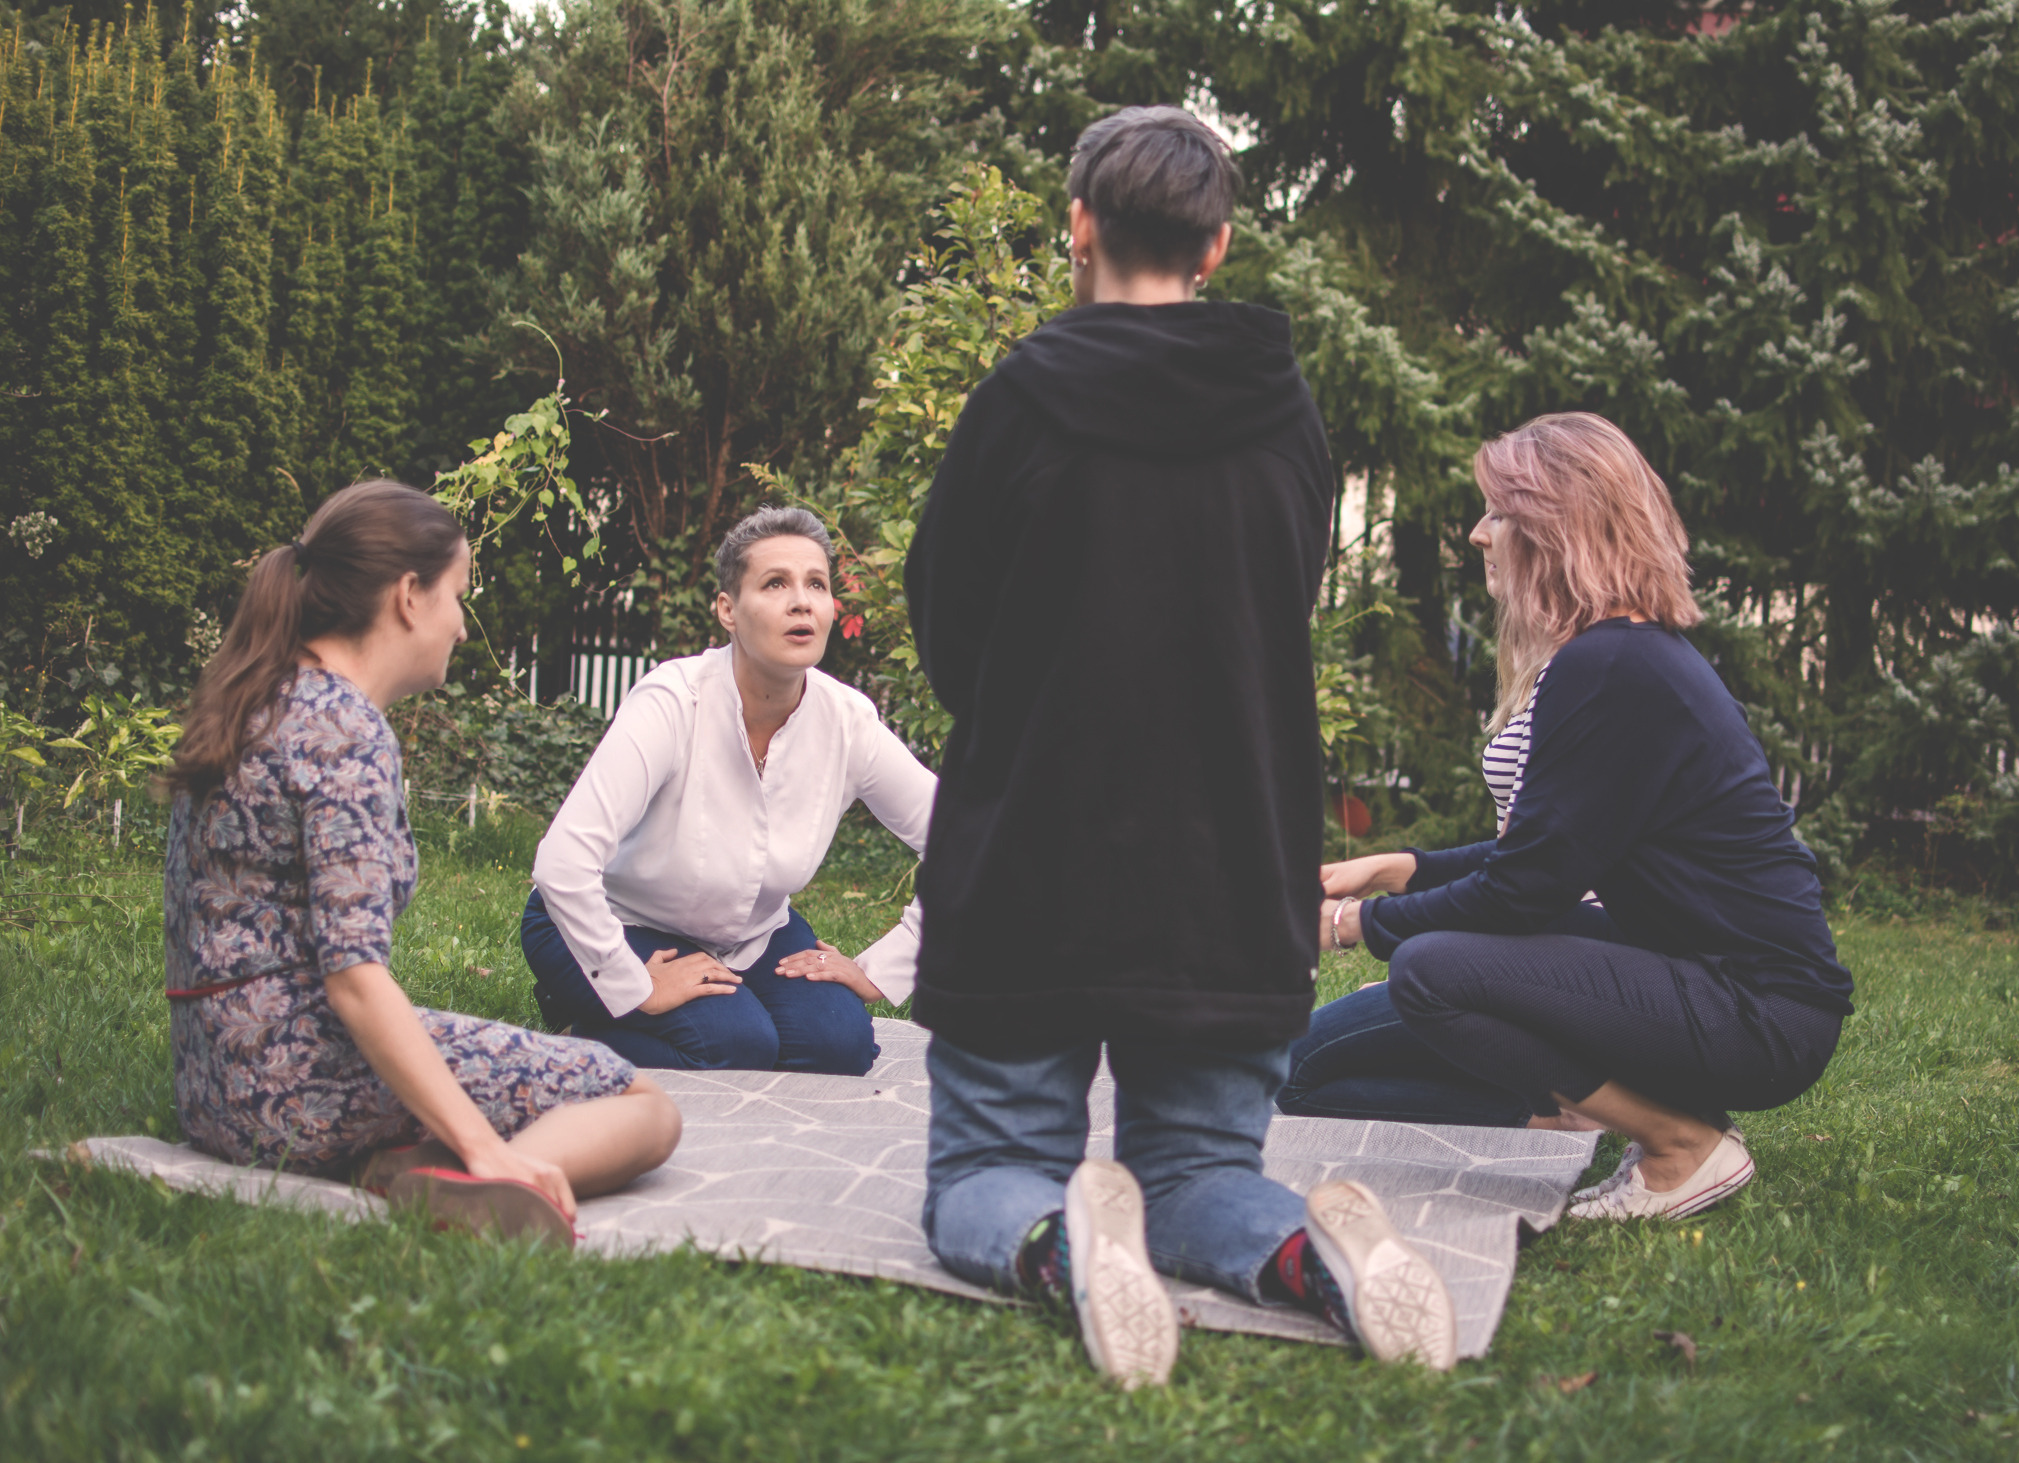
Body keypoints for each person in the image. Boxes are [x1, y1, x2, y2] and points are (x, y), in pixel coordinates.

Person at [906, 105, 1458, 1387]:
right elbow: (1280, 598)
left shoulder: (1020, 400)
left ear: (1079, 223)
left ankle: (1059, 1245)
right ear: (1213, 247)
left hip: (1033, 854)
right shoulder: (1285, 414)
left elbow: (948, 623)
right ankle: (1310, 1256)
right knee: (1206, 1171)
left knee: (988, 1170)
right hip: (1229, 861)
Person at [1296, 412, 1853, 1222]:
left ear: (1554, 527)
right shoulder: (1618, 655)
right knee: (1422, 972)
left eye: (1499, 513)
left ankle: (1678, 1145)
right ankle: (1648, 1120)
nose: (1481, 534)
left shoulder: (1612, 664)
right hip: (1722, 984)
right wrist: (1396, 869)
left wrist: (1355, 923)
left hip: (1757, 1011)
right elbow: (1551, 859)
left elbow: (1526, 891)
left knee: (1432, 970)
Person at [162, 480, 681, 1246]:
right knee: (643, 1103)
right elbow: (356, 983)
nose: (462, 627)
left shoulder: (257, 699)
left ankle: (400, 1161)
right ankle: (479, 1182)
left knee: (522, 1064)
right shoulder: (345, 732)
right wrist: (483, 1140)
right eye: (458, 595)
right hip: (299, 1082)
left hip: (213, 1088)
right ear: (409, 595)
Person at [520, 506, 934, 1075]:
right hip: (612, 921)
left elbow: (961, 841)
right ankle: (576, 1020)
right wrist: (632, 982)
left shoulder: (848, 721)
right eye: (775, 583)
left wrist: (883, 967)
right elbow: (563, 863)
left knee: (840, 1047)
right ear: (727, 610)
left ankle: (718, 1013)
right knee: (736, 1046)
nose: (801, 601)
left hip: (753, 937)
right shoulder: (673, 701)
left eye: (816, 583)